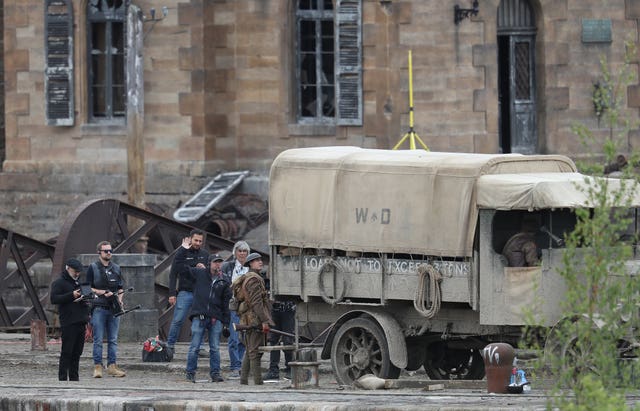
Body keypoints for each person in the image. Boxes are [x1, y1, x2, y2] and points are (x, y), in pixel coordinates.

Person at [185, 254, 232, 383]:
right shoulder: (200, 274)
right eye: (215, 262)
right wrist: (184, 251)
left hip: (215, 318)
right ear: (209, 263)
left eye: (219, 262)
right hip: (199, 316)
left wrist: (226, 323)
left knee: (215, 348)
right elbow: (181, 268)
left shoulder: (224, 281)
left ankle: (215, 373)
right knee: (194, 347)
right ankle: (190, 373)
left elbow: (225, 303)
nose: (218, 265)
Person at [232, 252, 274, 385]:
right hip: (254, 319)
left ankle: (243, 380)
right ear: (250, 264)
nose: (260, 262)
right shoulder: (254, 279)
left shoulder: (249, 277)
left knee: (250, 350)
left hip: (248, 318)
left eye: (260, 260)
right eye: (256, 260)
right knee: (255, 352)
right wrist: (265, 320)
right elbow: (257, 302)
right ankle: (258, 381)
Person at [86, 241, 126, 378]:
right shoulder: (93, 267)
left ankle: (112, 366)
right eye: (106, 251)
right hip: (99, 307)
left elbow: (121, 288)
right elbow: (87, 288)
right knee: (98, 339)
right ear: (99, 253)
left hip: (114, 309)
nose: (109, 253)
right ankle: (97, 367)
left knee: (113, 339)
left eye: (110, 250)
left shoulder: (116, 268)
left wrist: (119, 301)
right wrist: (102, 292)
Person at [167, 229, 209, 352]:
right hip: (185, 292)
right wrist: (172, 294)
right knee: (178, 320)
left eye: (200, 241)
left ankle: (199, 347)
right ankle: (170, 345)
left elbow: (210, 274)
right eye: (196, 240)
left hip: (199, 293)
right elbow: (173, 274)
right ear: (190, 239)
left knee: (200, 320)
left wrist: (205, 269)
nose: (198, 243)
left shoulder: (205, 254)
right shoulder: (182, 253)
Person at [50, 258, 90, 381]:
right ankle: (62, 378)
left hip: (81, 320)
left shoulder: (79, 282)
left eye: (79, 271)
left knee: (77, 352)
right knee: (67, 351)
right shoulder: (59, 283)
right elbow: (54, 299)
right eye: (75, 271)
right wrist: (71, 295)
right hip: (69, 321)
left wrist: (87, 300)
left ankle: (74, 378)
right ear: (67, 268)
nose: (77, 273)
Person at [221, 240, 250, 379]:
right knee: (233, 337)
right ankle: (235, 366)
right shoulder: (228, 267)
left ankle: (240, 364)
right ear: (235, 252)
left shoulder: (251, 268)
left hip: (247, 307)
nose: (242, 253)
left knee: (243, 337)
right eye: (240, 251)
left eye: (245, 251)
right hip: (233, 305)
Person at [263, 274, 295, 381]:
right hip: (275, 309)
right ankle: (273, 371)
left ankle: (290, 369)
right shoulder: (268, 274)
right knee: (273, 340)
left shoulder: (286, 272)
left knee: (288, 340)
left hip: (288, 308)